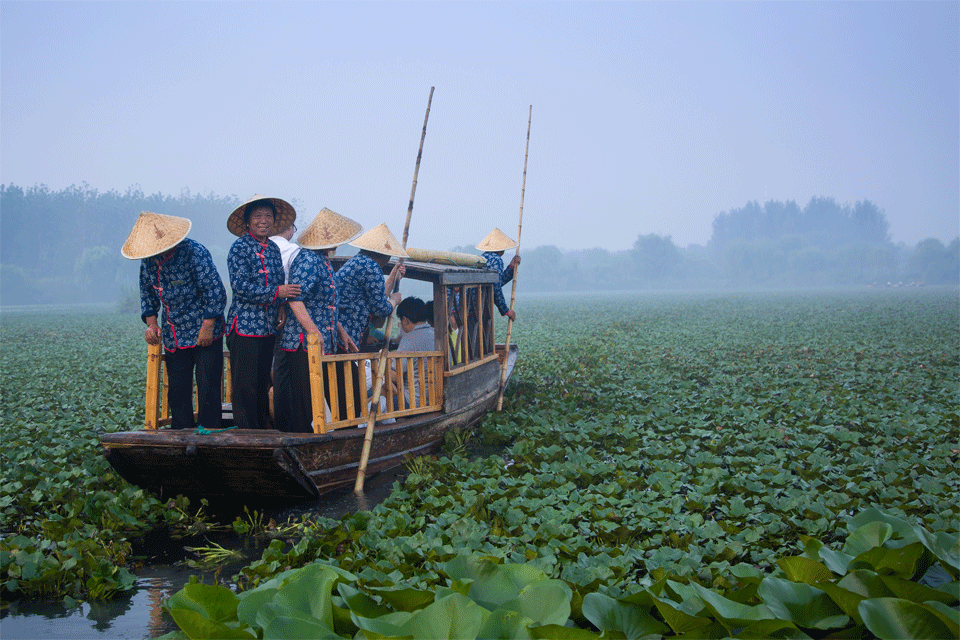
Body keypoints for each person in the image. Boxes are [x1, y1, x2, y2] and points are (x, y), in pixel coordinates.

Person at [121, 211, 226, 430]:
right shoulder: (148, 261)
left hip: (204, 329)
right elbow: (147, 294)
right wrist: (152, 324)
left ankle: (211, 440)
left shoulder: (194, 252)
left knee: (208, 389)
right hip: (173, 333)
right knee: (177, 391)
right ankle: (181, 439)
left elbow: (215, 291)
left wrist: (207, 326)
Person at [274, 208, 361, 433]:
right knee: (303, 404)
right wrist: (314, 331)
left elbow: (325, 305)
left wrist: (341, 332)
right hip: (303, 343)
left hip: (325, 341)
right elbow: (296, 299)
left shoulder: (324, 261)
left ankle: (344, 436)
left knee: (345, 391)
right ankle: (301, 443)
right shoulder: (308, 260)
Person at [225, 195, 300, 430]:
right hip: (245, 327)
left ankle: (260, 432)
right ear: (247, 222)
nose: (263, 221)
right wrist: (277, 293)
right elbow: (241, 287)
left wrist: (282, 307)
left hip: (268, 327)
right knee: (245, 385)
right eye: (258, 216)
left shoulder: (273, 250)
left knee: (261, 383)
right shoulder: (239, 247)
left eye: (268, 216)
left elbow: (279, 282)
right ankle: (247, 434)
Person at [335, 222, 407, 351]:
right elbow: (380, 309)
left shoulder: (357, 261)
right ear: (384, 254)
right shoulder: (372, 267)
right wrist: (394, 300)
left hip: (341, 329)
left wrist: (393, 278)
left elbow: (377, 297)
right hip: (346, 332)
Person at [393, 296, 435, 408]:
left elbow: (394, 376)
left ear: (405, 320)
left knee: (370, 395)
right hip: (436, 397)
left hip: (413, 401)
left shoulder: (409, 338)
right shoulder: (438, 334)